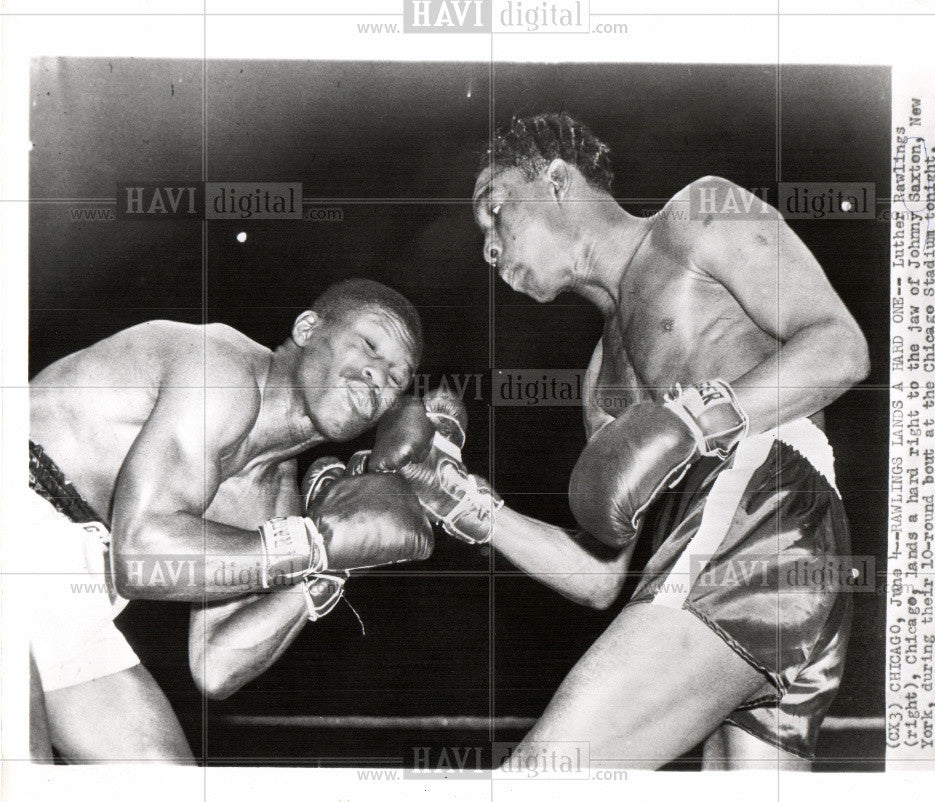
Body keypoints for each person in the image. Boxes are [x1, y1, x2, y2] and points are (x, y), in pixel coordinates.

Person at [364, 113, 870, 770]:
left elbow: (841, 348)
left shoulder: (696, 216)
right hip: (754, 572)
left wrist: (697, 421)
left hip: (761, 513)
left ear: (554, 180)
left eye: (495, 211)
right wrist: (462, 503)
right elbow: (600, 578)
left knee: (538, 776)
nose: (488, 246)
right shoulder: (603, 381)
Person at [27, 278, 434, 763]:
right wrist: (311, 543)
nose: (377, 375)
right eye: (369, 344)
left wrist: (330, 565)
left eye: (396, 377)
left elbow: (215, 663)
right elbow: (137, 556)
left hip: (68, 597)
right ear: (307, 328)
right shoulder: (219, 371)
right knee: (23, 767)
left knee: (171, 786)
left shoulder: (272, 493)